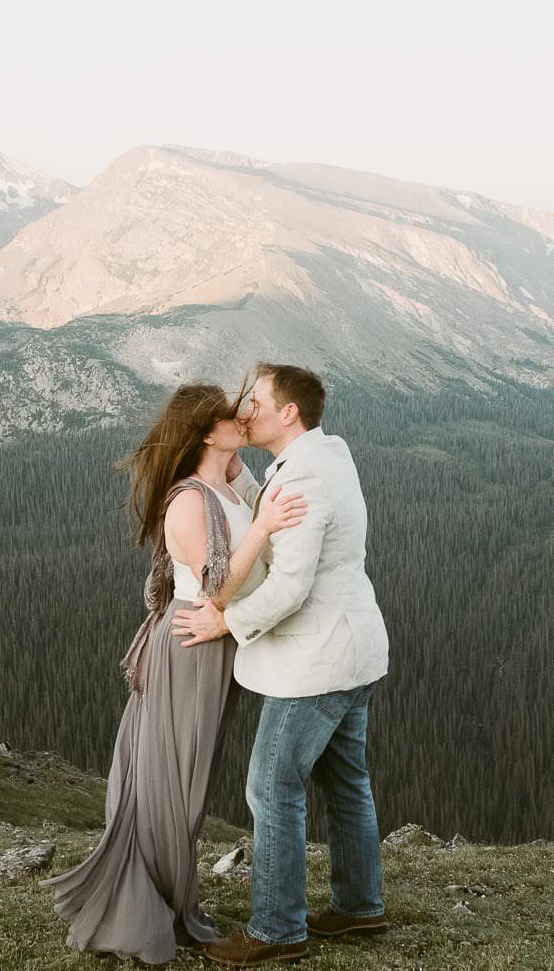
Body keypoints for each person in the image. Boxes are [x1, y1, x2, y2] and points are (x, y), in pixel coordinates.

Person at [41, 380, 309, 965]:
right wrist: (263, 528)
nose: (244, 418)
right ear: (207, 431)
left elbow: (251, 498)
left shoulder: (229, 482)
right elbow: (216, 587)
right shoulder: (189, 500)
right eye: (231, 417)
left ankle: (171, 894)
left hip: (217, 644)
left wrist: (249, 483)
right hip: (192, 642)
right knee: (176, 778)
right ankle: (152, 903)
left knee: (193, 773)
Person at [174, 362, 390, 967]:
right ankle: (359, 907)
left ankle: (276, 927)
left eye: (257, 401)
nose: (246, 411)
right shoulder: (322, 457)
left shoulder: (303, 481)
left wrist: (225, 621)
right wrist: (243, 481)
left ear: (287, 412)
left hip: (314, 660)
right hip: (354, 650)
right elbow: (276, 512)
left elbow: (290, 585)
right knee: (346, 784)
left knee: (272, 788)